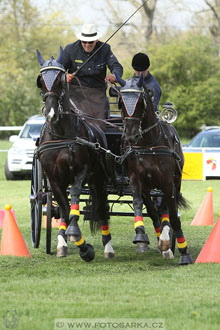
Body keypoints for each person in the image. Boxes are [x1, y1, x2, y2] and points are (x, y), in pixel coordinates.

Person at [62, 23, 123, 121]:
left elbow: (117, 66)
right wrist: (64, 76)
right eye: (84, 42)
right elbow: (59, 69)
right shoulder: (70, 49)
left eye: (90, 42)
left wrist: (114, 76)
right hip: (74, 95)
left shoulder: (105, 48)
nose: (87, 45)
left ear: (96, 40)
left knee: (100, 126)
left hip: (97, 95)